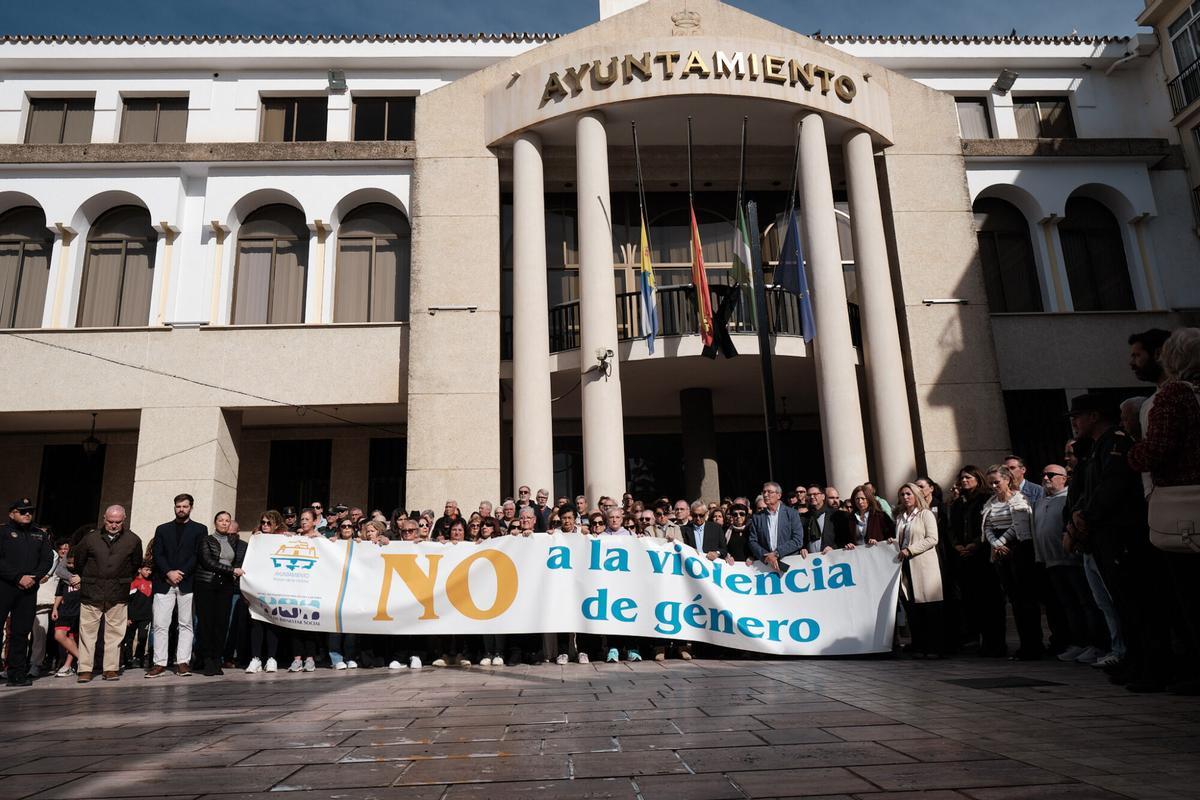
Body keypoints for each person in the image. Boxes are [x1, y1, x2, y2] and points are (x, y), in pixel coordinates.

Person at [1068, 392, 1162, 691]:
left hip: (1120, 534)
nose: (1075, 423)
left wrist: (1088, 516)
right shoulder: (1095, 447)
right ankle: (1136, 661)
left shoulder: (1117, 442)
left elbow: (1112, 486)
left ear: (1094, 415)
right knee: (1121, 603)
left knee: (1136, 603)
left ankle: (1152, 664)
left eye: (1078, 416)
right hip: (1102, 536)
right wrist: (1079, 515)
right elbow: (1089, 488)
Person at [1127, 327, 1200, 695]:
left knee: (1187, 594)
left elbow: (1154, 451)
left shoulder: (1173, 395)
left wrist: (1132, 449)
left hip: (1183, 508)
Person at [1033, 465, 1107, 665]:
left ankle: (1096, 643)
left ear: (1064, 479)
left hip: (1071, 560)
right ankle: (1078, 642)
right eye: (1044, 474)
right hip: (1051, 562)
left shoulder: (1068, 498)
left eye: (1051, 475)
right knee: (1067, 605)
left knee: (1086, 602)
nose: (1046, 478)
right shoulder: (1039, 502)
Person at [72, 505, 143, 683]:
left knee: (115, 632)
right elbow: (79, 562)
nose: (113, 525)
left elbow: (135, 564)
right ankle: (85, 669)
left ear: (124, 520)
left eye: (118, 522)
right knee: (87, 632)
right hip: (92, 591)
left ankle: (111, 668)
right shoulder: (90, 538)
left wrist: (122, 580)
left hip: (118, 591)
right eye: (110, 521)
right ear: (104, 519)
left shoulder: (133, 540)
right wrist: (89, 578)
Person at [982, 464, 1041, 660]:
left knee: (1026, 599)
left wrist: (1001, 541)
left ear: (1007, 480)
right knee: (1014, 599)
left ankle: (1033, 644)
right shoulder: (990, 502)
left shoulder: (1020, 500)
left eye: (997, 482)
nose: (993, 486)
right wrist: (994, 542)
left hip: (1018, 550)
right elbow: (987, 526)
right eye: (990, 483)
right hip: (999, 552)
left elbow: (1019, 525)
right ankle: (1024, 645)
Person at [146, 494, 207, 678]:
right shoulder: (162, 529)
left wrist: (181, 573)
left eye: (185, 506)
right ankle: (159, 663)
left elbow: (198, 555)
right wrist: (168, 573)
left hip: (187, 582)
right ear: (174, 507)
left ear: (191, 507)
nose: (181, 509)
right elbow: (157, 554)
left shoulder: (199, 529)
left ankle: (183, 662)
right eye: (178, 506)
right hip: (164, 581)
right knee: (160, 624)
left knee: (186, 623)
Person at [0, 498, 53, 686]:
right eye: (22, 511)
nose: (27, 514)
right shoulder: (3, 532)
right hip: (5, 587)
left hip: (28, 589)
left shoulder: (39, 534)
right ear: (12, 513)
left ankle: (16, 673)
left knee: (21, 633)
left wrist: (34, 577)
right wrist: (17, 577)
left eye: (30, 511)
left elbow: (47, 560)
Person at [893, 483, 944, 658]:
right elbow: (898, 539)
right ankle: (920, 645)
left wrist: (911, 549)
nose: (905, 497)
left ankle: (935, 648)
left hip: (923, 565)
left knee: (929, 608)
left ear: (916, 495)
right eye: (902, 494)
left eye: (908, 494)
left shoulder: (925, 514)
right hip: (906, 566)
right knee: (912, 608)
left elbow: (932, 538)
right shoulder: (900, 517)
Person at [194, 511, 246, 676]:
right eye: (221, 520)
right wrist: (231, 570)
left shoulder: (232, 541)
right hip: (207, 584)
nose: (224, 523)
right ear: (215, 522)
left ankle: (217, 658)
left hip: (226, 586)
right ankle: (207, 659)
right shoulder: (206, 540)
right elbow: (208, 562)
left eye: (227, 521)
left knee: (222, 624)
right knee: (206, 623)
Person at [245, 510, 287, 674]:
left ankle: (271, 658)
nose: (265, 526)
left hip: (275, 588)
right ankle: (255, 658)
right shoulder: (255, 539)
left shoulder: (282, 539)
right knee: (256, 623)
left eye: (269, 523)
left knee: (272, 624)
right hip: (257, 588)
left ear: (276, 524)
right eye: (263, 522)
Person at [748, 482, 805, 571]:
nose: (766, 495)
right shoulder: (757, 517)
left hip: (790, 565)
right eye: (764, 492)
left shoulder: (791, 513)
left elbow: (797, 540)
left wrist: (776, 553)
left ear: (778, 495)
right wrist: (766, 556)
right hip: (767, 567)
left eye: (769, 492)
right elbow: (752, 541)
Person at [121, 563, 153, 670]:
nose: (149, 572)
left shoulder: (151, 582)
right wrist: (128, 617)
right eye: (146, 570)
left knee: (142, 637)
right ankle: (128, 659)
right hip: (133, 617)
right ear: (139, 570)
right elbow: (128, 601)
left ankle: (139, 658)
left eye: (150, 570)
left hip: (146, 616)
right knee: (129, 638)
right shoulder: (134, 583)